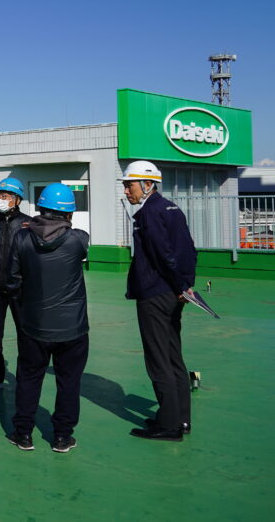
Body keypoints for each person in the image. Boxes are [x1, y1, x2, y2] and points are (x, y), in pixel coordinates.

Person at [5, 183, 90, 454]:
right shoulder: (79, 239)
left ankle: (23, 433)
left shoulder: (22, 238)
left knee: (29, 379)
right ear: (69, 213)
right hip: (73, 327)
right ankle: (62, 436)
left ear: (40, 208)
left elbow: (12, 281)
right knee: (69, 382)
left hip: (34, 325)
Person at [120, 161, 197, 442]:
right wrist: (185, 285)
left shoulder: (149, 213)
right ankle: (181, 419)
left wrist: (178, 284)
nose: (126, 190)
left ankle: (168, 425)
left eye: (129, 185)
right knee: (173, 355)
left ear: (147, 185)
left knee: (158, 359)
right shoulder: (171, 208)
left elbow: (162, 254)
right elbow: (188, 250)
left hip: (155, 294)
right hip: (174, 294)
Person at [0, 177, 32, 392]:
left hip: (20, 289)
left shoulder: (28, 224)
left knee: (25, 335)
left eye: (5, 196)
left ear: (17, 199)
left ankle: (25, 378)